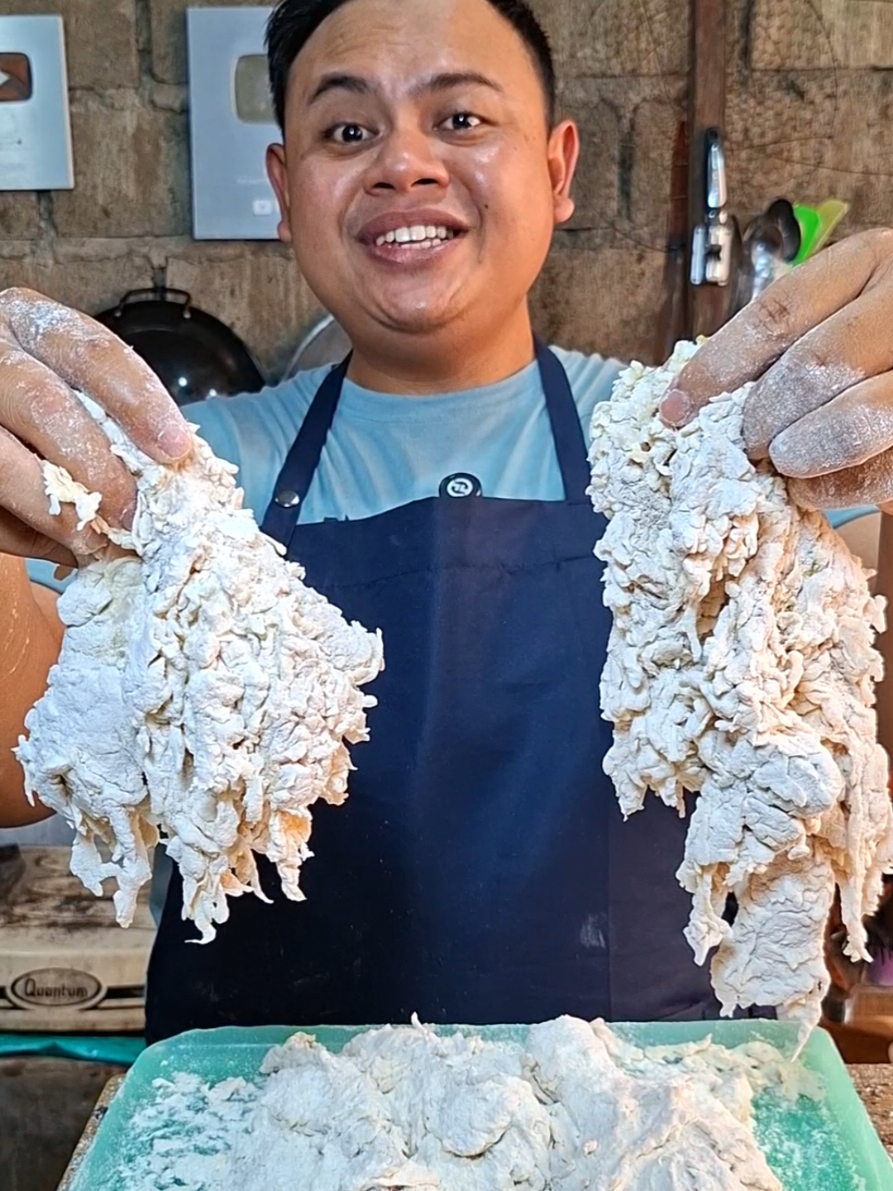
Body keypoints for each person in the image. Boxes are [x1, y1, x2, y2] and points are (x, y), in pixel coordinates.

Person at [1, 0, 892, 1042]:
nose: (402, 164)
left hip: (641, 1109)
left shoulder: (698, 462)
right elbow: (17, 771)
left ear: (557, 170)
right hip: (265, 1117)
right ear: (286, 191)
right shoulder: (169, 476)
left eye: (460, 119)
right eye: (347, 131)